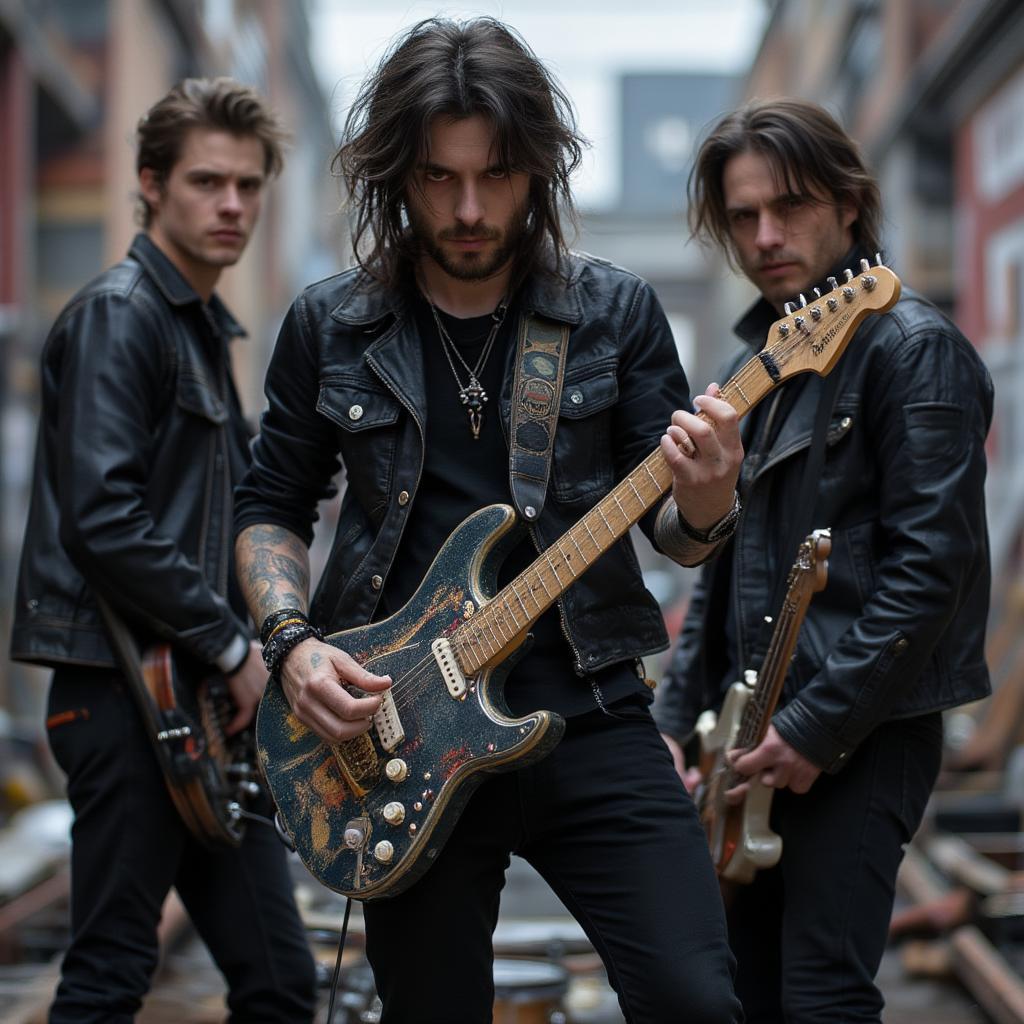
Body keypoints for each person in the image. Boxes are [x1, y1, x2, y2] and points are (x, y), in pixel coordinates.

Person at [233, 18, 744, 1024]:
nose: (468, 209)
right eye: (436, 178)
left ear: (538, 172)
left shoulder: (615, 312)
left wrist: (708, 490)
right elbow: (268, 508)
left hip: (589, 704)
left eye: (497, 176)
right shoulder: (327, 325)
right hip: (398, 726)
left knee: (694, 1000)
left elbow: (680, 536)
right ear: (393, 177)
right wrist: (291, 646)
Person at [655, 98, 993, 1021]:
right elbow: (721, 575)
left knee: (822, 999)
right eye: (742, 217)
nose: (765, 236)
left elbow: (934, 567)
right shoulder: (760, 368)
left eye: (791, 206)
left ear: (850, 204)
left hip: (862, 735)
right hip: (747, 740)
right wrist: (678, 727)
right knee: (747, 991)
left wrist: (813, 728)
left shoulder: (914, 350)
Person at [11, 78, 317, 1022]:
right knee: (109, 973)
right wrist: (233, 652)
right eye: (205, 182)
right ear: (149, 185)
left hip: (195, 707)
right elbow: (103, 517)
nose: (231, 205)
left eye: (248, 185)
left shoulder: (200, 332)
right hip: (122, 693)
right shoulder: (122, 315)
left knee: (280, 981)